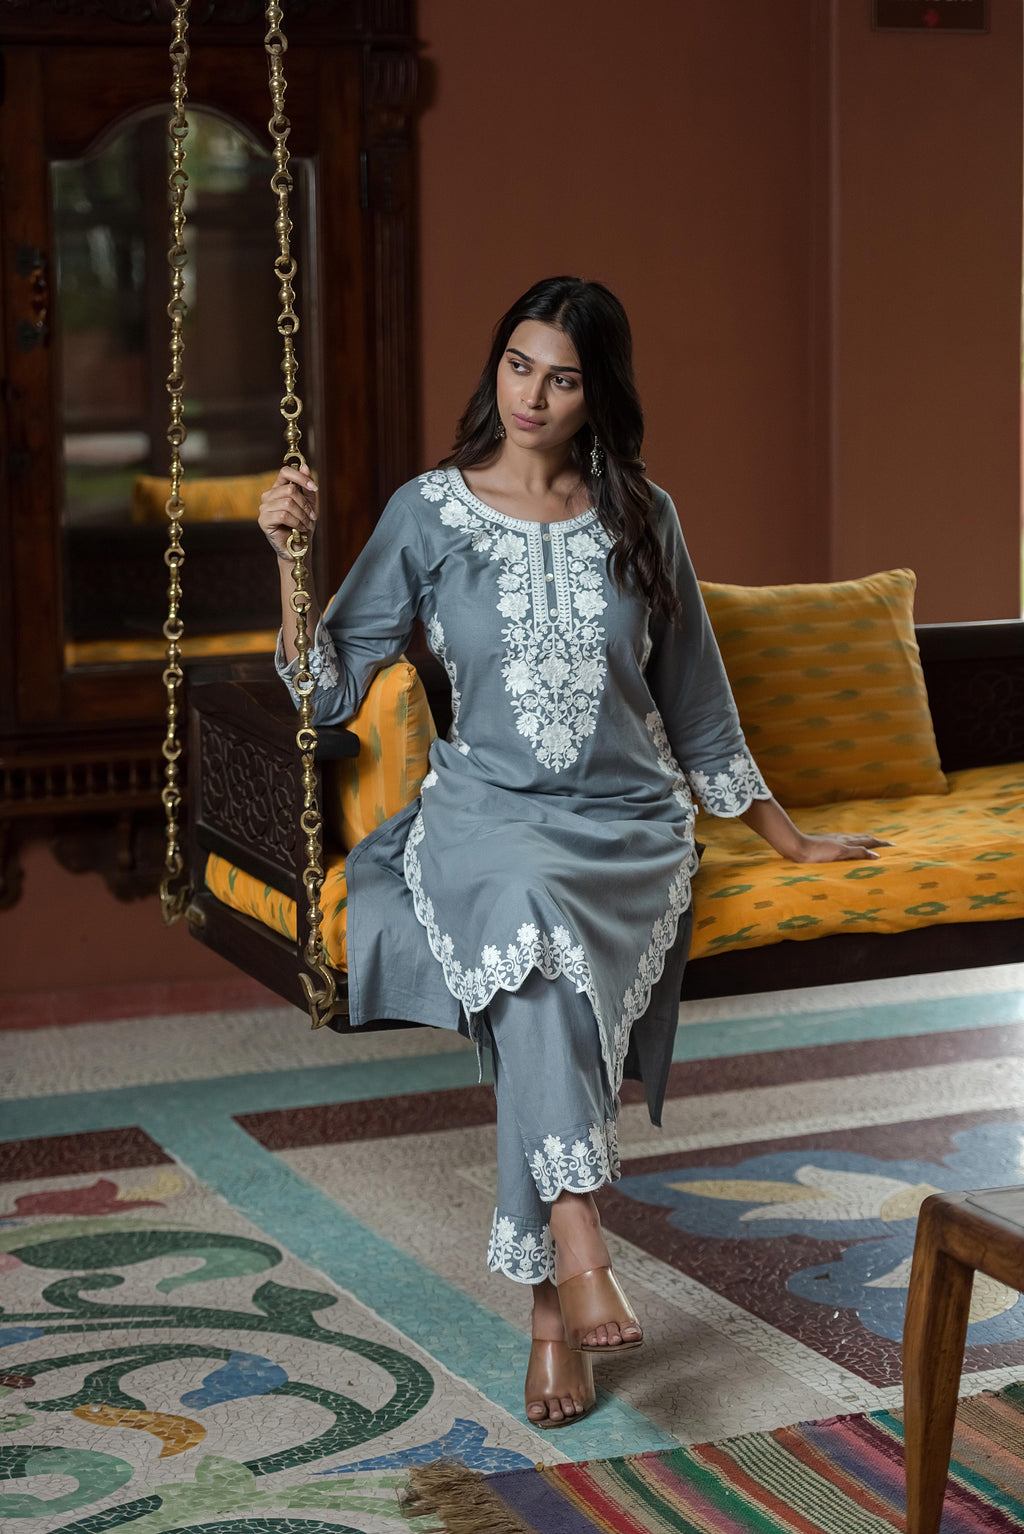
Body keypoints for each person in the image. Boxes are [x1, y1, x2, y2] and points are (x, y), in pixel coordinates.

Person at [258, 276, 886, 1430]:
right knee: (534, 938)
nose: (533, 394)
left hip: (626, 825)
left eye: (561, 375)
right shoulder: (428, 513)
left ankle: (554, 1312)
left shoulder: (643, 514)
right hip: (485, 815)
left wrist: (785, 836)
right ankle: (575, 1256)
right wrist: (289, 557)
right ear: (492, 367)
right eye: (516, 364)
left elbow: (694, 701)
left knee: (536, 969)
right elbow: (327, 685)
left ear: (598, 397)